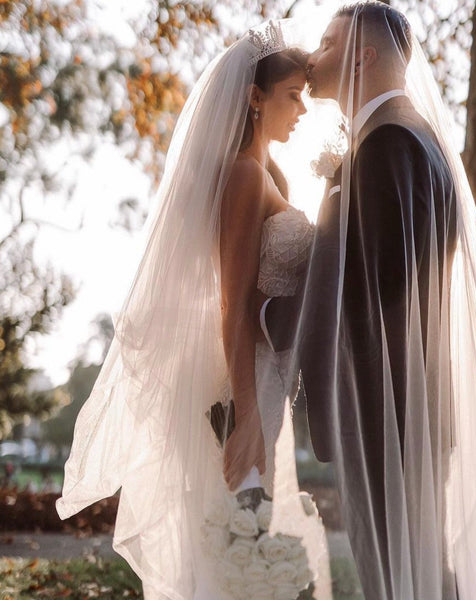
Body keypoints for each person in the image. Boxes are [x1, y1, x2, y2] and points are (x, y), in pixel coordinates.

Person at [262, 2, 476, 599]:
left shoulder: (388, 143)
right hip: (405, 397)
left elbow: (381, 291)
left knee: (399, 572)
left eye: (326, 43)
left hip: (387, 402)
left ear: (361, 55)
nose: (313, 59)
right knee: (413, 568)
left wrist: (270, 314)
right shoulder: (402, 133)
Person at [56, 21, 330, 600]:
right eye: (293, 95)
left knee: (246, 529)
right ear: (255, 97)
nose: (303, 109)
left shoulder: (269, 172)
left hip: (269, 376)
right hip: (243, 380)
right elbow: (232, 303)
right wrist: (248, 416)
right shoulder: (244, 175)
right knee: (234, 530)